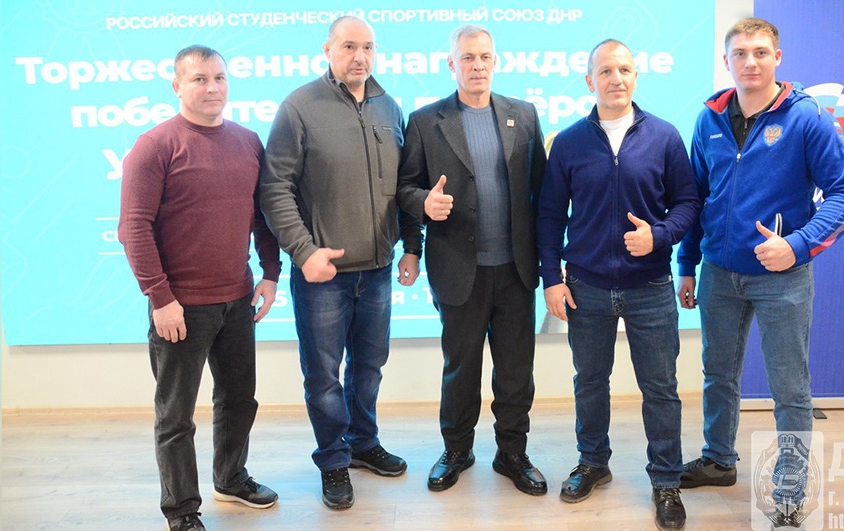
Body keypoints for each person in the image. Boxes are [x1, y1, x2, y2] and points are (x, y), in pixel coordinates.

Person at [676, 17, 844, 526]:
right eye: (740, 54)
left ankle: (790, 489)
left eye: (760, 52)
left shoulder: (807, 118)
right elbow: (695, 197)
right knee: (718, 374)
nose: (750, 62)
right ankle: (719, 460)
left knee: (789, 387)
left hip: (782, 277)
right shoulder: (709, 119)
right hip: (718, 273)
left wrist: (797, 246)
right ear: (727, 61)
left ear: (777, 57)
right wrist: (687, 264)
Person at [258, 16, 421, 511]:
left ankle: (363, 444)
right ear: (327, 49)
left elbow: (406, 186)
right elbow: (274, 188)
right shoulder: (299, 107)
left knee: (369, 367)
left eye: (368, 47)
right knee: (324, 375)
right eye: (349, 46)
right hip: (322, 275)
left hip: (378, 270)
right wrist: (304, 252)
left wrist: (411, 245)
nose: (360, 56)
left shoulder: (389, 107)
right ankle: (332, 459)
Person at [537, 39, 699, 530]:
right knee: (589, 382)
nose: (616, 78)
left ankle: (666, 480)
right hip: (585, 285)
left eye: (624, 69)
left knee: (661, 388)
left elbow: (688, 204)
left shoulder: (665, 137)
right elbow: (549, 216)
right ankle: (593, 462)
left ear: (636, 76)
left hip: (650, 286)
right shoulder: (569, 142)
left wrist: (659, 237)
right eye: (605, 71)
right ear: (590, 80)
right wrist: (551, 279)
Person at [118, 45, 281, 531]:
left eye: (219, 78)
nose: (212, 88)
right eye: (199, 79)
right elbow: (133, 229)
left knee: (239, 400)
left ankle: (231, 479)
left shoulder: (248, 141)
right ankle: (182, 511)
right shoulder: (154, 146)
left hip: (238, 299)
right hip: (180, 308)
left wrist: (271, 272)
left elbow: (261, 216)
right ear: (177, 86)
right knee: (176, 417)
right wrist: (160, 298)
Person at [395, 23, 548, 496]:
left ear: (495, 61)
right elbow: (404, 189)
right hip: (458, 269)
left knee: (516, 371)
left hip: (516, 269)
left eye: (484, 57)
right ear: (451, 64)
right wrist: (424, 204)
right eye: (467, 57)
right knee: (461, 370)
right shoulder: (425, 120)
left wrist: (552, 262)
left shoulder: (524, 115)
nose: (477, 65)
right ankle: (457, 450)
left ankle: (512, 452)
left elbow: (541, 192)